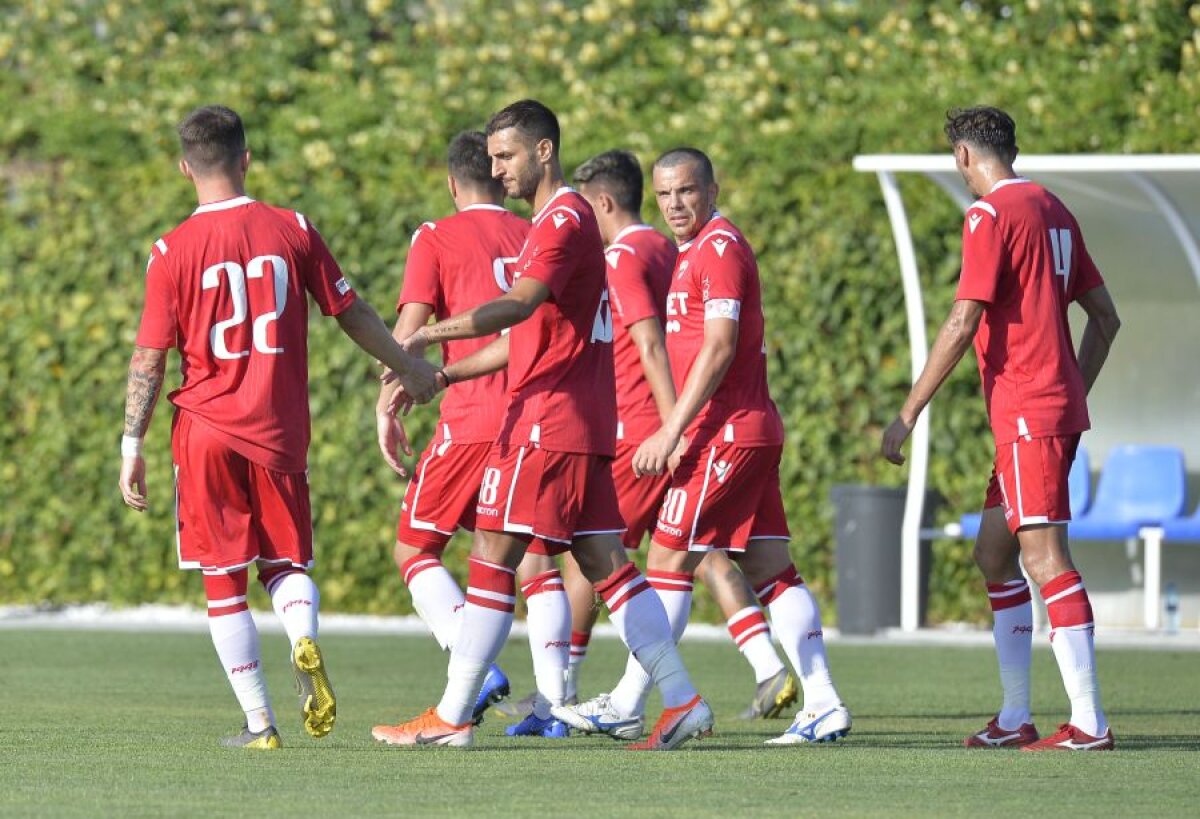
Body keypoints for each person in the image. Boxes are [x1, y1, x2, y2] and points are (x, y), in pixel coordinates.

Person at [369, 100, 712, 750]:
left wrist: (426, 337)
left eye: (507, 155)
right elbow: (530, 331)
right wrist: (445, 374)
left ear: (544, 151)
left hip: (547, 420)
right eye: (492, 158)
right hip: (579, 418)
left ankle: (451, 716)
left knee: (493, 555)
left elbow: (513, 307)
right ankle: (683, 698)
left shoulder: (561, 218)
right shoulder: (552, 224)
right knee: (608, 562)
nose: (496, 169)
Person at [118, 105, 437, 749]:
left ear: (185, 167)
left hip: (205, 429)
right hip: (280, 429)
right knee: (284, 563)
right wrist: (406, 365)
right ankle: (303, 636)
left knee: (222, 578)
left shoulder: (169, 250)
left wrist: (132, 444)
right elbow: (350, 312)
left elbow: (149, 358)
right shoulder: (291, 228)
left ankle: (260, 725)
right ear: (245, 159)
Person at [556, 148, 850, 746]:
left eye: (686, 192)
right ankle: (823, 701)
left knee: (666, 561)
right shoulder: (693, 251)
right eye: (665, 195)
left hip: (727, 433)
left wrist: (671, 430)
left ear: (713, 190)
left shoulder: (719, 249)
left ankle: (632, 699)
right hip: (744, 431)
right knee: (771, 570)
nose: (674, 205)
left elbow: (718, 346)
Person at [881, 106, 1121, 751]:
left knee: (1044, 557)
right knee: (995, 552)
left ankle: (1090, 723)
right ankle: (1016, 717)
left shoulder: (989, 214)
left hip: (1028, 410)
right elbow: (1106, 319)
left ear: (964, 157)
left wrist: (906, 415)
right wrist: (1070, 390)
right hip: (1040, 410)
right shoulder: (1053, 208)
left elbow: (963, 320)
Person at [374, 131, 531, 730]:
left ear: (451, 183)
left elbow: (406, 334)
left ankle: (474, 668)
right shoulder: (537, 233)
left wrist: (388, 401)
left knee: (414, 547)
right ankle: (555, 697)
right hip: (534, 421)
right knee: (529, 561)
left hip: (470, 417)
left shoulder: (436, 236)